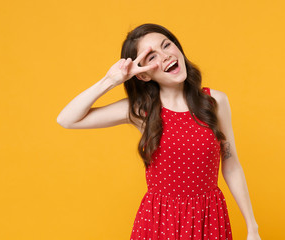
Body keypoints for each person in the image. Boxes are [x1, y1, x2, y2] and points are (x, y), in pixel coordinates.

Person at [57, 23, 261, 240]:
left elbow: (231, 165)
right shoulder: (141, 110)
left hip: (208, 219)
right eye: (151, 57)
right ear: (143, 75)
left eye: (167, 45)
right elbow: (67, 119)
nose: (165, 56)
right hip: (160, 222)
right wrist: (111, 81)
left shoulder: (215, 101)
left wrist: (252, 228)